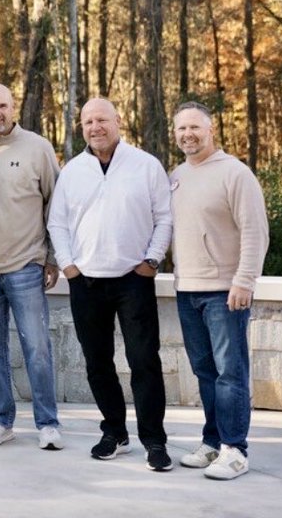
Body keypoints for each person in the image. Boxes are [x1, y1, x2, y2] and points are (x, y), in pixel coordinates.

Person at [48, 97, 173, 472]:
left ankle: (154, 441)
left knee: (143, 361)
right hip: (86, 282)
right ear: (81, 127)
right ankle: (114, 433)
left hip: (133, 280)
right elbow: (58, 223)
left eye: (102, 119)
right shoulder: (72, 170)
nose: (95, 127)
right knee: (97, 363)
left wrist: (152, 260)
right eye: (88, 122)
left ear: (118, 120)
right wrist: (69, 267)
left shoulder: (145, 165)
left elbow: (164, 217)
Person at [170, 101, 269, 480]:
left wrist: (244, 280)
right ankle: (212, 443)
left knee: (230, 373)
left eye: (194, 127)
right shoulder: (176, 174)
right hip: (187, 288)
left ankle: (235, 449)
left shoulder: (235, 173)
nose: (188, 134)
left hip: (224, 291)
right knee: (205, 372)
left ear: (211, 130)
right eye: (181, 129)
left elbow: (255, 231)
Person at [0, 83, 64, 451]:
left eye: (3, 105)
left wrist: (52, 257)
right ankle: (0, 421)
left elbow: (56, 205)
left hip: (26, 266)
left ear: (14, 107)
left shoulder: (38, 148)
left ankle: (48, 423)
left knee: (37, 348)